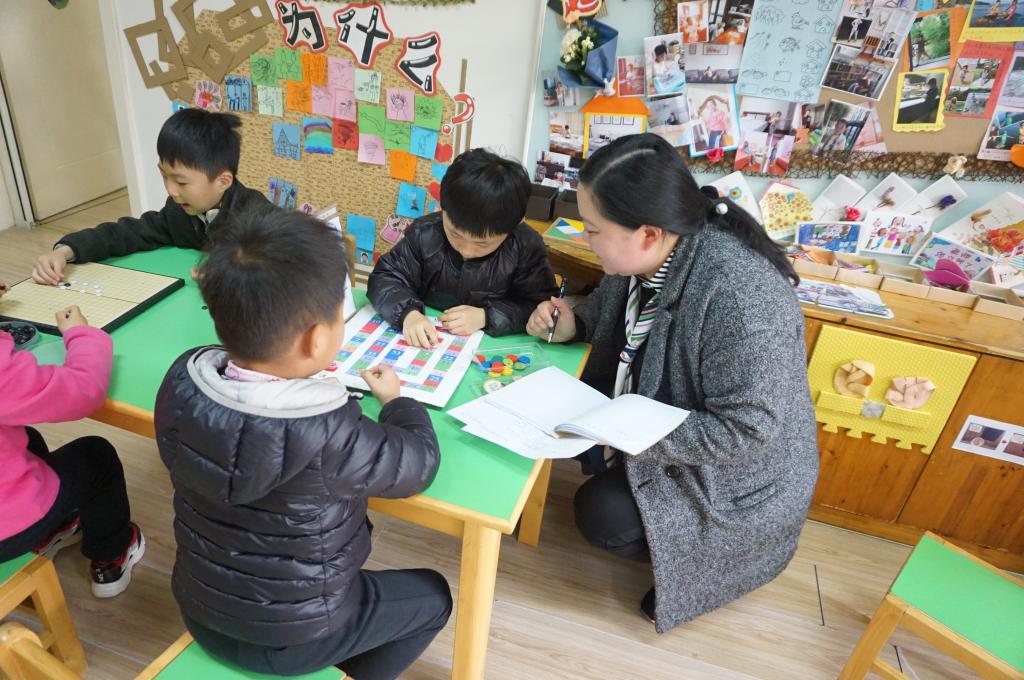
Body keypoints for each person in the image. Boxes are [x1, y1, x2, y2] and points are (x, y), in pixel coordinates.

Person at [523, 133, 818, 631]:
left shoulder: (741, 295)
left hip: (735, 481)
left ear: (647, 233)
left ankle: (700, 568)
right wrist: (574, 322)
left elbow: (747, 431)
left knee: (603, 515)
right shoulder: (650, 254)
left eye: (592, 230)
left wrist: (626, 434)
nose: (584, 237)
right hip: (661, 422)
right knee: (560, 419)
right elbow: (616, 317)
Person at [155, 210, 450, 679]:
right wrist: (397, 402)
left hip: (201, 610)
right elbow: (418, 464)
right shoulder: (326, 430)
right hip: (295, 638)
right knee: (434, 597)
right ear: (316, 340)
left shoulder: (182, 386)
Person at [0, 289, 144, 598]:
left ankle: (54, 529)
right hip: (6, 531)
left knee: (27, 438)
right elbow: (83, 391)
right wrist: (83, 335)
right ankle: (110, 558)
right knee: (95, 455)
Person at [32, 109, 274, 285]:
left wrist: (229, 275)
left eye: (181, 182)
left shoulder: (258, 217)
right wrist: (65, 251)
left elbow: (286, 266)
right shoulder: (179, 211)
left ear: (223, 181)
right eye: (164, 176)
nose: (171, 190)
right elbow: (127, 233)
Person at [368, 148, 558, 348]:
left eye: (482, 244)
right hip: (432, 337)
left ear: (516, 224)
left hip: (493, 347)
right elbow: (385, 277)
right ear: (443, 208)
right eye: (455, 234)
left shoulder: (525, 247)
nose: (466, 251)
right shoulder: (424, 233)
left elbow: (540, 307)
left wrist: (487, 316)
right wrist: (408, 314)